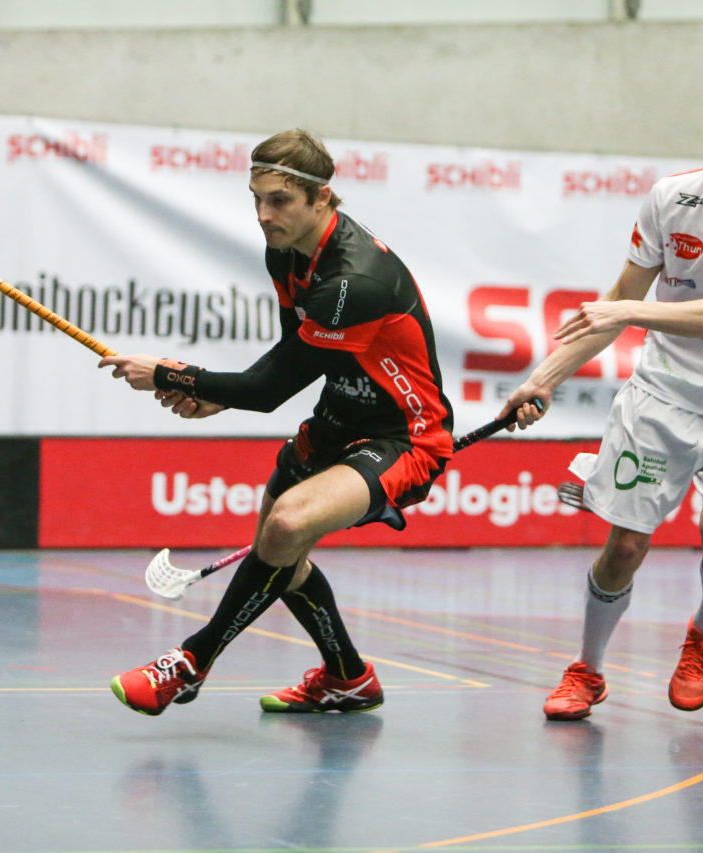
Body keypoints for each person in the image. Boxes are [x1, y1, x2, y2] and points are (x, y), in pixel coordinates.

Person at [503, 72, 703, 720]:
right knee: (624, 545)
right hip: (662, 396)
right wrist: (542, 381)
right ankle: (588, 669)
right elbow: (609, 315)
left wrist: (628, 308)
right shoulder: (671, 199)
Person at [99, 129, 454, 717]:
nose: (264, 215)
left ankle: (189, 664)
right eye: (256, 198)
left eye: (280, 201)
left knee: (285, 528)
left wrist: (172, 373)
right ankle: (348, 677)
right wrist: (218, 398)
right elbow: (294, 355)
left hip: (403, 439)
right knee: (279, 558)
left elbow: (267, 391)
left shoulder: (354, 281)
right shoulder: (286, 251)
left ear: (323, 199)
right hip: (335, 420)